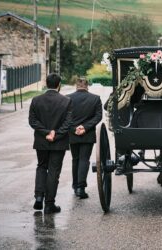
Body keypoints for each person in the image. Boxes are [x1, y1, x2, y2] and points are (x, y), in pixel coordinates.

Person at [29, 73, 72, 214]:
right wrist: (56, 134)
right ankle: (49, 204)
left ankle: (39, 197)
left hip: (42, 141)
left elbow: (33, 121)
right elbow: (68, 123)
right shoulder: (66, 101)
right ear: (59, 84)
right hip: (58, 142)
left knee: (41, 167)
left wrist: (46, 132)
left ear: (46, 84)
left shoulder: (36, 100)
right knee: (54, 171)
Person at [67, 78, 102, 199]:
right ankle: (81, 188)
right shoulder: (95, 98)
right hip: (87, 134)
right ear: (87, 86)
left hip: (73, 134)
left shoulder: (67, 98)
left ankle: (75, 186)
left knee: (75, 159)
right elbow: (98, 117)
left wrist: (74, 128)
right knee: (84, 159)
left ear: (76, 85)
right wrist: (85, 127)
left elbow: (65, 117)